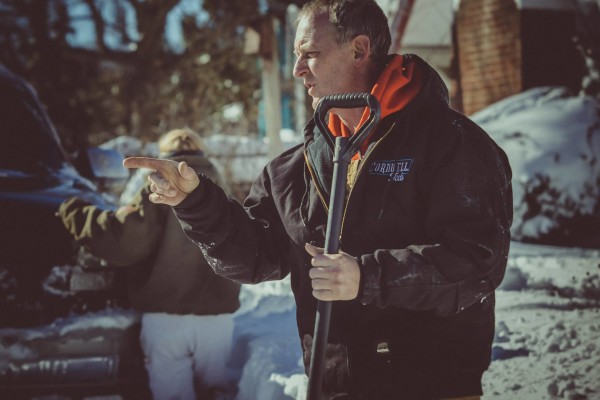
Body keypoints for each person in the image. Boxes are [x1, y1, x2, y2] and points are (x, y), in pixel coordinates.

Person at [124, 0, 513, 398]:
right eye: (297, 56)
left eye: (310, 53)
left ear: (359, 50)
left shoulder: (452, 143)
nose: (297, 70)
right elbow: (255, 258)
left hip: (431, 385)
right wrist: (195, 201)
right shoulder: (294, 168)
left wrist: (366, 277)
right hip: (336, 386)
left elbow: (478, 261)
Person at [59, 128, 241, 400]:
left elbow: (124, 240)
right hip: (217, 322)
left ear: (163, 154)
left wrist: (74, 211)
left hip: (166, 323)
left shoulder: (158, 185)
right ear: (201, 151)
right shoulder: (222, 189)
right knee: (217, 393)